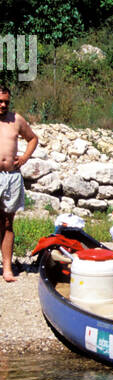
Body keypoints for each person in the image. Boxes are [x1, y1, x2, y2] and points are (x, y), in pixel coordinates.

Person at [0, 83, 38, 283]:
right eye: (0, 101)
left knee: (7, 222)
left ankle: (7, 268)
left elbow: (32, 138)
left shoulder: (16, 120)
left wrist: (24, 157)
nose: (3, 105)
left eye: (6, 102)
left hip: (11, 176)